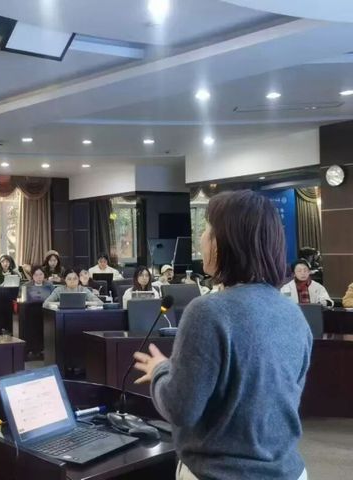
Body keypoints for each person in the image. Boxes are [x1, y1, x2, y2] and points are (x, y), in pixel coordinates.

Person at [132, 190, 311, 480]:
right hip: (290, 471)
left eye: (206, 230)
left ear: (222, 243)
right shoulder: (294, 314)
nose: (201, 239)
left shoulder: (207, 311)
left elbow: (181, 408)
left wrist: (161, 370)